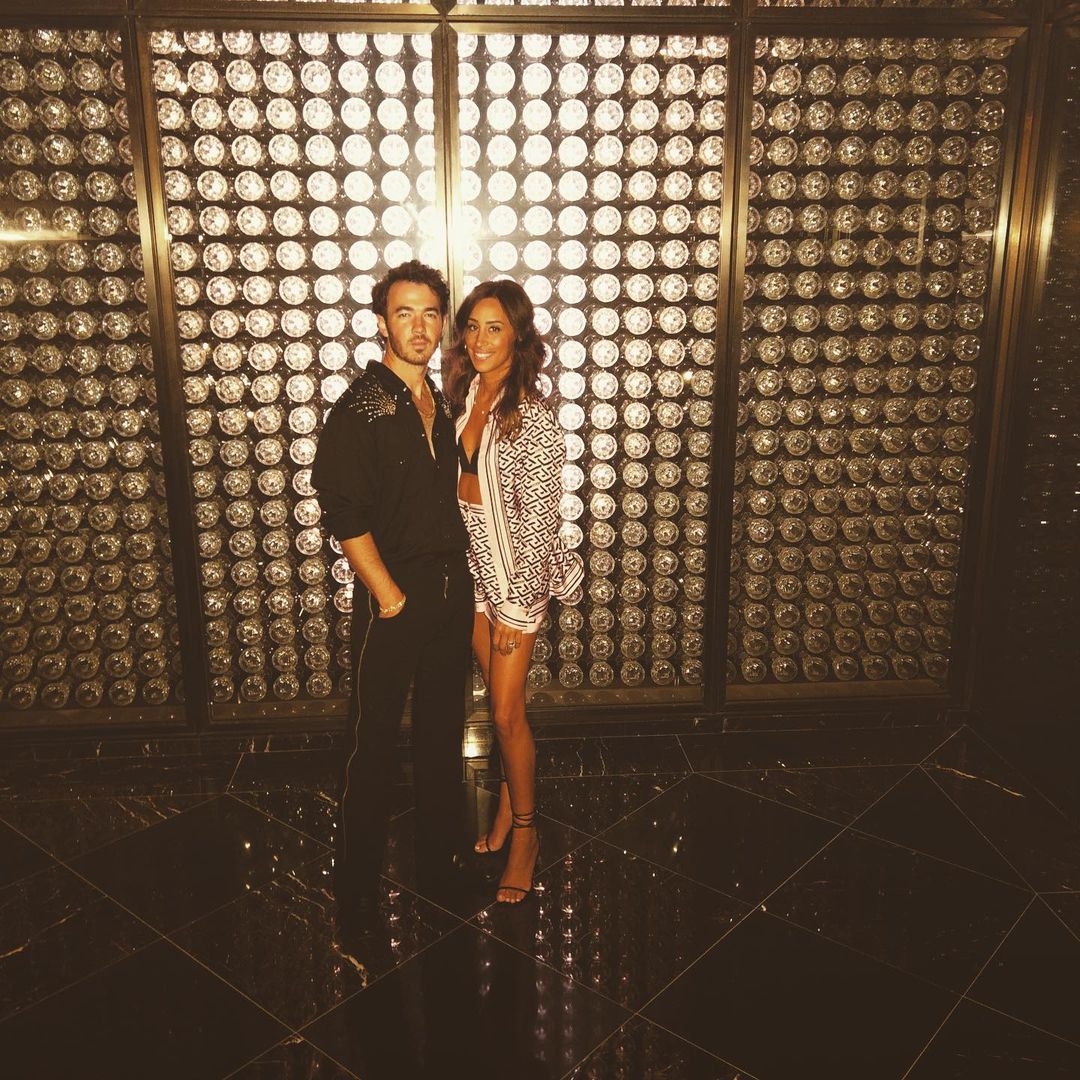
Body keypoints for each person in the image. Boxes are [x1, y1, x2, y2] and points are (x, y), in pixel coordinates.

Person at [311, 260, 473, 919]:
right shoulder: (361, 407)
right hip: (395, 595)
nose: (420, 326)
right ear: (382, 323)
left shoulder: (439, 399)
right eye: (405, 313)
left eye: (431, 313)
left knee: (442, 736)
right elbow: (341, 511)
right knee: (372, 741)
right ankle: (355, 884)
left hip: (450, 590)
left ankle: (440, 867)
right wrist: (388, 596)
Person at [444, 280, 583, 903]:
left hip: (513, 580)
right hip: (472, 574)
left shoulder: (533, 418)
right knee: (499, 708)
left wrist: (517, 605)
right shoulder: (469, 396)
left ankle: (527, 832)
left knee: (504, 713)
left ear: (518, 336)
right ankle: (506, 803)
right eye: (472, 326)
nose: (479, 339)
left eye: (494, 328)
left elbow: (540, 523)